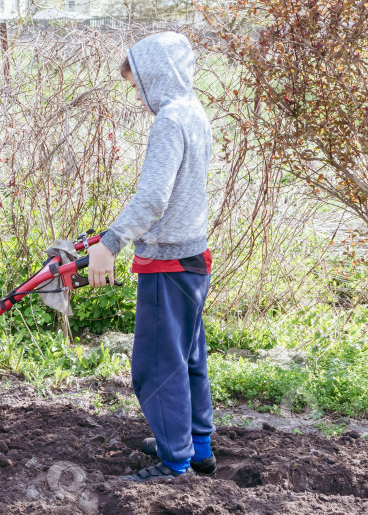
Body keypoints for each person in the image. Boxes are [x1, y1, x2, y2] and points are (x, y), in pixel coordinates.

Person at [86, 31, 216, 482]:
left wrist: (110, 242)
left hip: (168, 264)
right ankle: (197, 445)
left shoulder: (169, 121)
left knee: (156, 365)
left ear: (157, 75)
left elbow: (153, 199)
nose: (139, 96)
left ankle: (175, 463)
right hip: (194, 258)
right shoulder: (195, 113)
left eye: (138, 85)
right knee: (188, 358)